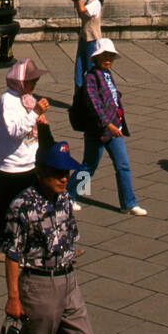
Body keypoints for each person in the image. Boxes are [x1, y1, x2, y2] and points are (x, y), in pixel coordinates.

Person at [2, 140, 98, 334]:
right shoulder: (22, 205)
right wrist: (14, 297)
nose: (64, 178)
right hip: (38, 284)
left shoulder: (64, 198)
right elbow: (13, 254)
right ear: (40, 171)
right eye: (57, 173)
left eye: (67, 173)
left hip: (69, 282)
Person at [0, 59, 51, 261]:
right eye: (31, 81)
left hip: (29, 162)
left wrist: (38, 117)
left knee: (35, 206)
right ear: (19, 81)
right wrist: (36, 113)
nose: (33, 86)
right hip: (11, 166)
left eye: (35, 81)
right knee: (4, 206)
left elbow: (30, 124)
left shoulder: (26, 98)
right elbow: (14, 131)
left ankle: (39, 243)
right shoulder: (8, 100)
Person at [69, 38, 146, 216]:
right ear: (95, 58)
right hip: (98, 130)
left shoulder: (108, 74)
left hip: (114, 129)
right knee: (89, 166)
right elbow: (94, 104)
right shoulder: (91, 77)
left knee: (123, 165)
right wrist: (108, 124)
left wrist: (117, 122)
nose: (108, 59)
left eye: (110, 56)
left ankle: (129, 203)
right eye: (104, 56)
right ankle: (69, 194)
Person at [72, 0, 104, 89]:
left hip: (93, 41)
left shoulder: (96, 3)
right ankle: (78, 99)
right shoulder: (87, 3)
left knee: (91, 70)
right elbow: (81, 13)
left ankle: (92, 97)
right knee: (78, 71)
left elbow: (82, 10)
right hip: (84, 40)